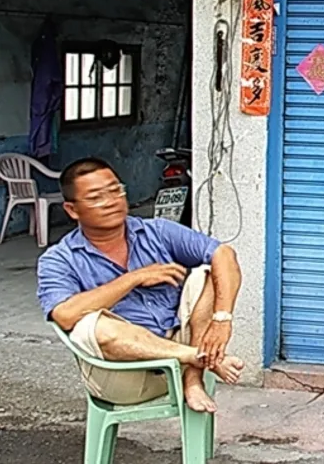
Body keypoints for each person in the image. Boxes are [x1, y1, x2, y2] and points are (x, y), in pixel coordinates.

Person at [36, 157, 244, 413]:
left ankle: (193, 379)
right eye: (96, 197)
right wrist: (134, 278)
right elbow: (64, 315)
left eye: (115, 190)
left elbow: (224, 254)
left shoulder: (158, 232)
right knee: (91, 325)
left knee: (209, 273)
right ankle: (201, 357)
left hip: (179, 365)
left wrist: (222, 321)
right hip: (121, 376)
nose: (111, 201)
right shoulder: (59, 259)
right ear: (72, 210)